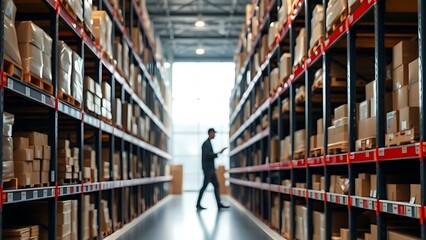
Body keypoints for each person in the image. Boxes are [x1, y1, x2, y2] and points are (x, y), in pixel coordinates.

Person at [196, 128, 230, 210]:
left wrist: (218, 153)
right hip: (208, 170)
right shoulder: (206, 144)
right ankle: (198, 204)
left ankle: (218, 204)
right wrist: (218, 153)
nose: (215, 135)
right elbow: (208, 156)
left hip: (211, 169)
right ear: (210, 133)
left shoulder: (208, 143)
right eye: (214, 133)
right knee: (204, 186)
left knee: (216, 185)